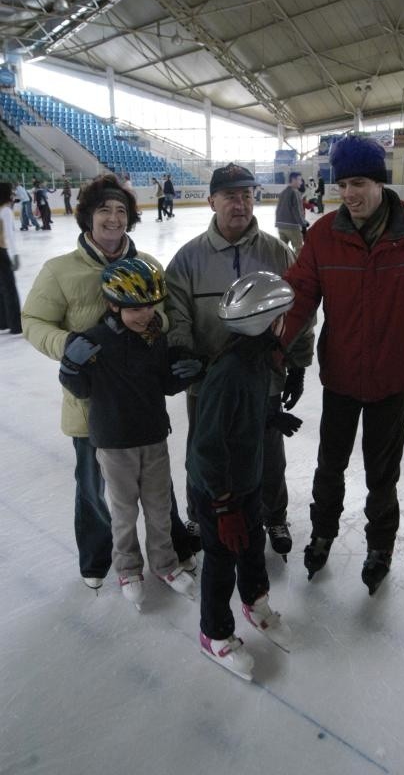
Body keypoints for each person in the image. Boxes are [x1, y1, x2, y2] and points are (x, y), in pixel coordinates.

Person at [282, 135, 404, 594]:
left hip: (392, 378)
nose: (349, 194)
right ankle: (322, 534)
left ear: (378, 181)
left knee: (382, 473)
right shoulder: (322, 235)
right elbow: (297, 298)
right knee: (329, 465)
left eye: (357, 182)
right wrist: (272, 349)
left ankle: (380, 545)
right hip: (340, 375)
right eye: (341, 185)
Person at [21, 174, 194, 590]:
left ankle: (170, 548)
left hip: (142, 401)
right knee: (94, 488)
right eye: (104, 210)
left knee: (156, 485)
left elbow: (167, 312)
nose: (114, 219)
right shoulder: (60, 270)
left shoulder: (149, 265)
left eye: (121, 211)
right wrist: (68, 344)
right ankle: (99, 558)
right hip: (91, 407)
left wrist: (154, 326)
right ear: (87, 217)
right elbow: (33, 321)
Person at [165, 162, 314, 561]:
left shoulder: (275, 251)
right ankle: (200, 513)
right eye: (231, 196)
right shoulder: (188, 258)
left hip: (262, 378)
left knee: (267, 451)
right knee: (203, 448)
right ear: (211, 200)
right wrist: (182, 351)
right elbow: (175, 311)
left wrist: (297, 363)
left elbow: (298, 311)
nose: (240, 204)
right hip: (205, 381)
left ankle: (273, 514)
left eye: (247, 195)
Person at [58, 259, 197, 609]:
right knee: (122, 513)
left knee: (159, 507)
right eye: (134, 308)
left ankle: (165, 563)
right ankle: (129, 569)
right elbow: (81, 389)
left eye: (149, 306)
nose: (144, 314)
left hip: (152, 437)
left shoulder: (155, 337)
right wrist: (70, 367)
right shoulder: (93, 341)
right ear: (112, 304)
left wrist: (188, 371)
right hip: (113, 443)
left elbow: (165, 384)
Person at [188, 271, 295, 679]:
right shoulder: (229, 373)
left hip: (244, 483)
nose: (286, 323)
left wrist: (271, 416)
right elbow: (207, 446)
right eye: (283, 316)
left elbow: (242, 416)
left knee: (252, 549)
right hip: (218, 491)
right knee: (219, 561)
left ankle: (255, 601)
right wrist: (223, 505)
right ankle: (214, 634)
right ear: (269, 323)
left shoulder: (255, 359)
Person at [0, 182, 22, 335]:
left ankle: (3, 322)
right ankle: (15, 325)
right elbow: (10, 235)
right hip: (2, 252)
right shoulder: (6, 211)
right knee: (9, 289)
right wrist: (15, 255)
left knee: (1, 289)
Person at [275, 171, 306, 254]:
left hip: (280, 226)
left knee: (282, 249)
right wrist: (303, 224)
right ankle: (297, 266)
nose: (301, 182)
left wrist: (278, 222)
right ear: (293, 179)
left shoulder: (283, 193)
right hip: (292, 226)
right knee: (299, 249)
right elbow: (298, 211)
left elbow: (278, 209)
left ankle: (283, 265)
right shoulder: (295, 192)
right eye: (299, 180)